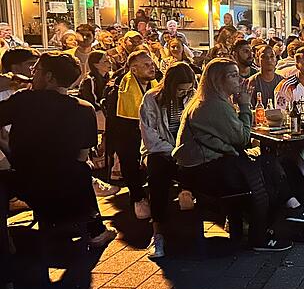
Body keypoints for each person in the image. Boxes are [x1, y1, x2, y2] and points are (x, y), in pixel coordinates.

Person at [173, 59, 304, 252]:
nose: (240, 79)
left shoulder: (211, 101)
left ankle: (286, 211)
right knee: (265, 171)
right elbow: (242, 138)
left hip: (204, 165)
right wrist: (244, 106)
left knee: (270, 166)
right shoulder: (213, 105)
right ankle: (266, 230)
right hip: (204, 170)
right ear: (218, 80)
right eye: (233, 75)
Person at [0, 52, 115, 249]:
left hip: (22, 181)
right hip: (67, 182)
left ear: (49, 77)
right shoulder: (83, 108)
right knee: (82, 169)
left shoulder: (22, 101)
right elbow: (82, 155)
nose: (32, 74)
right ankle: (96, 230)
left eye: (36, 70)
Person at [139, 63, 196, 258]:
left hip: (186, 150)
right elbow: (150, 136)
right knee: (158, 173)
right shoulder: (152, 99)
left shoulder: (193, 97)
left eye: (187, 90)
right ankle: (158, 233)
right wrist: (174, 152)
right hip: (159, 151)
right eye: (180, 90)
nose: (183, 94)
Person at [106, 51, 158, 218]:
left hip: (152, 130)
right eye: (146, 65)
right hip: (128, 132)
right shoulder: (120, 88)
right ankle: (138, 197)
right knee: (129, 160)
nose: (152, 68)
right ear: (134, 70)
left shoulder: (156, 85)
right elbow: (114, 120)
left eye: (152, 64)